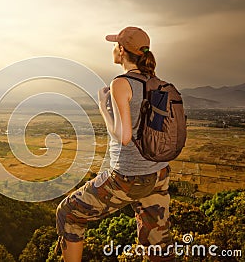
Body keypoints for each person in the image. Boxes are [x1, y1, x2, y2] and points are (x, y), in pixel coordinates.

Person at [56, 27, 175, 262]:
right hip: (158, 173)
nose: (113, 49)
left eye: (115, 45)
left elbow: (123, 136)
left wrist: (103, 106)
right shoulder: (156, 83)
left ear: (121, 50)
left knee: (68, 214)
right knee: (157, 240)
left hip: (128, 177)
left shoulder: (121, 83)